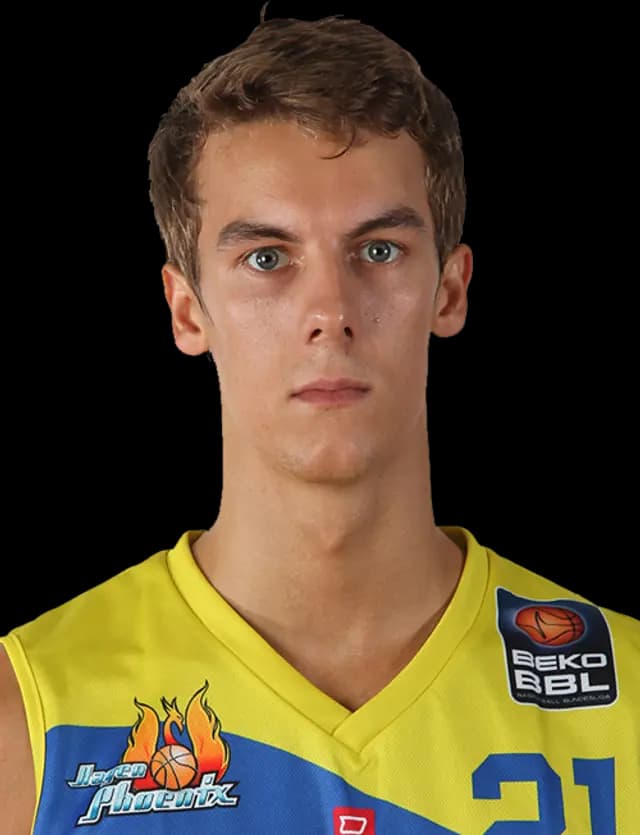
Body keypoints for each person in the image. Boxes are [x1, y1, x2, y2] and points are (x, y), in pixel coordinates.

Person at [1, 8, 638, 834]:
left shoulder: (629, 699)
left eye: (378, 250)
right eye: (267, 258)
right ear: (187, 310)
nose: (330, 311)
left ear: (450, 290)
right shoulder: (33, 719)